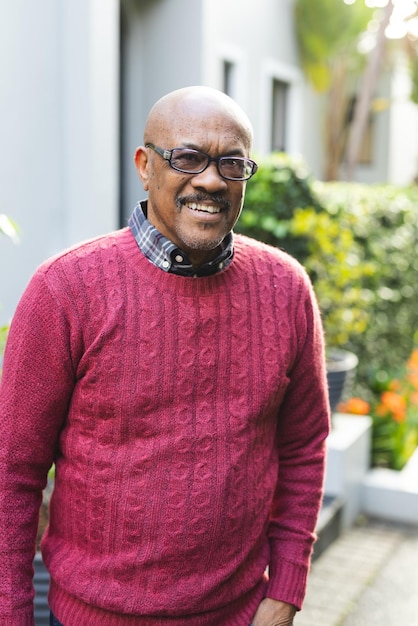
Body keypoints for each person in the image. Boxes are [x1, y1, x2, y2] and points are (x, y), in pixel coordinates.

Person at [0, 86, 330, 626]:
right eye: (188, 158)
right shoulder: (64, 290)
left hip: (240, 615)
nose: (211, 179)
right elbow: (12, 473)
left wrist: (286, 592)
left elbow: (303, 448)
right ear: (145, 166)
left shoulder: (286, 289)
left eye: (232, 163)